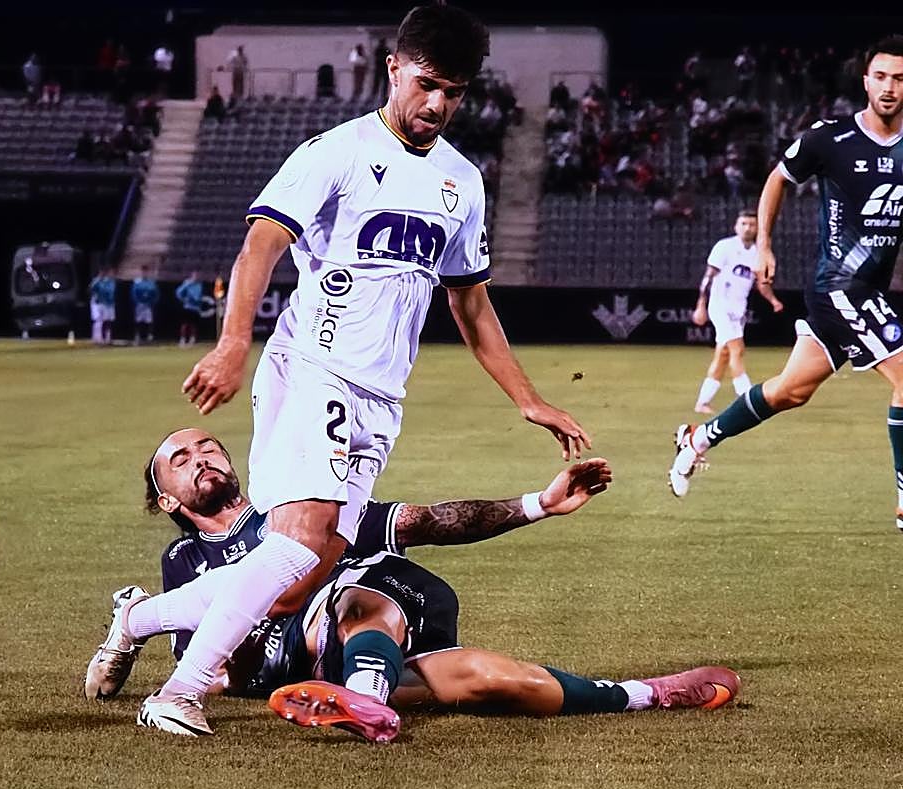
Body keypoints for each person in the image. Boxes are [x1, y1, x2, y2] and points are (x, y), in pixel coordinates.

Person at [137, 4, 589, 738]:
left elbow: (470, 304)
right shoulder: (335, 152)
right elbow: (261, 246)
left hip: (379, 397)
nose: (438, 104)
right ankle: (181, 693)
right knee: (296, 542)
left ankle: (139, 619)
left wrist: (529, 399)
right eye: (428, 83)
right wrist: (231, 344)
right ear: (394, 68)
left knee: (299, 578)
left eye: (456, 91)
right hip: (314, 367)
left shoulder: (462, 182)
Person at [83, 429, 740, 741]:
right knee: (393, 612)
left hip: (361, 643)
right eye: (180, 458)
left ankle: (647, 695)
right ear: (167, 499)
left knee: (478, 666)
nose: (202, 458)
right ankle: (362, 699)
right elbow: (216, 670)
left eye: (208, 446)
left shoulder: (302, 512)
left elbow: (429, 521)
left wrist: (538, 503)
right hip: (292, 675)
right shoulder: (183, 566)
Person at [669, 36, 903, 517]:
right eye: (880, 76)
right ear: (865, 81)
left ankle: (698, 438)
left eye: (899, 78)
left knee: (790, 390)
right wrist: (767, 246)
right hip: (840, 286)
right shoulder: (830, 138)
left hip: (868, 290)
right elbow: (778, 178)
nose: (889, 87)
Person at [689, 210, 784, 413]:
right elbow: (708, 277)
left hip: (737, 310)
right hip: (720, 306)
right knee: (737, 350)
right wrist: (701, 305)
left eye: (751, 224)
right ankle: (747, 398)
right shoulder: (724, 247)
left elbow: (761, 283)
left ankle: (702, 402)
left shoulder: (759, 252)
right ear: (736, 226)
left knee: (723, 355)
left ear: (757, 228)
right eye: (744, 224)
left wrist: (773, 300)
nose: (748, 228)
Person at [89, 266, 117, 345]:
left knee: (108, 321)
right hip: (98, 304)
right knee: (98, 321)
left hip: (108, 304)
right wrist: (98, 280)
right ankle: (97, 338)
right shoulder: (97, 281)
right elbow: (91, 289)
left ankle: (107, 338)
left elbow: (110, 292)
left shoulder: (110, 282)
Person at [131, 268, 159, 346]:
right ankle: (137, 336)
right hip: (139, 305)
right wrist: (137, 302)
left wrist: (152, 302)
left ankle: (149, 336)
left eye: (146, 272)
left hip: (148, 305)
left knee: (149, 320)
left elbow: (155, 293)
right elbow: (133, 293)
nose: (144, 274)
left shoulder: (151, 282)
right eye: (143, 272)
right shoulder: (137, 282)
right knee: (138, 320)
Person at [175, 271, 203, 347]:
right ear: (192, 276)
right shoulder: (187, 283)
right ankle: (183, 339)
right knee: (185, 324)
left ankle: (192, 339)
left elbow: (199, 296)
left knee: (194, 325)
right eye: (195, 275)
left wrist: (198, 302)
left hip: (196, 308)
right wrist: (184, 299)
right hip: (187, 307)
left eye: (197, 276)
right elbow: (178, 292)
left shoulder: (199, 285)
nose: (196, 277)